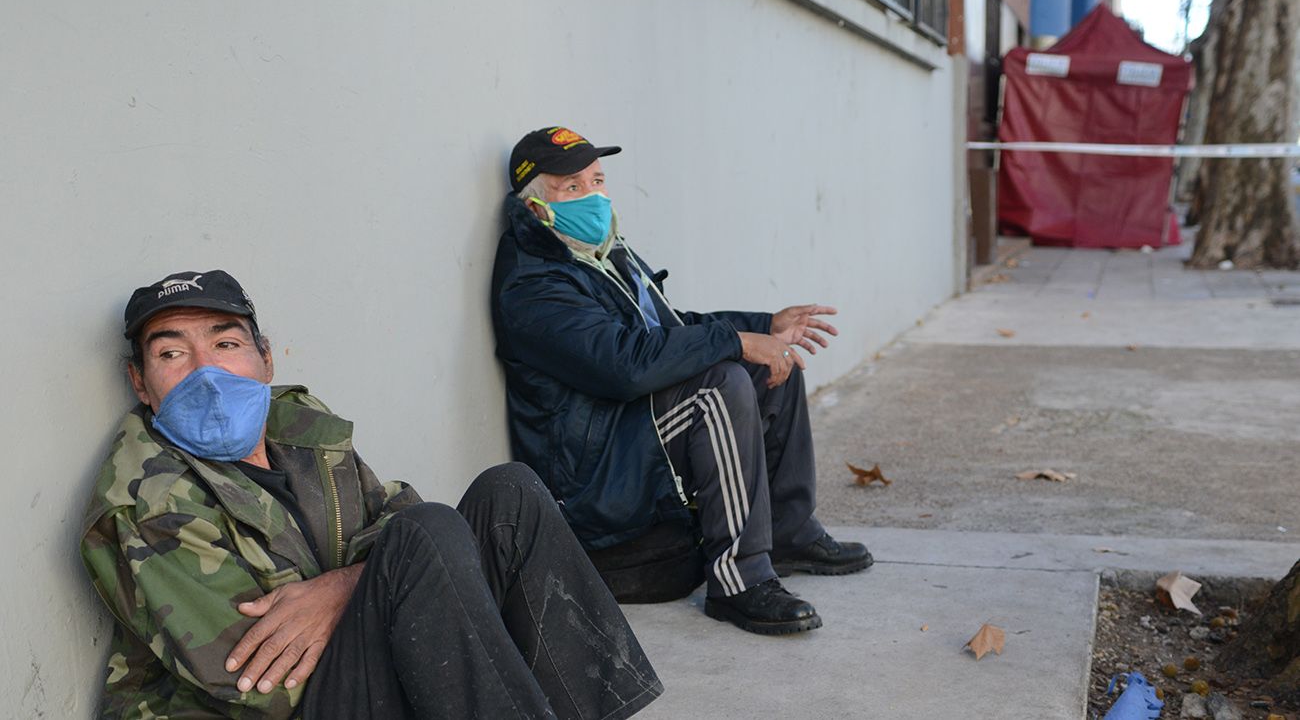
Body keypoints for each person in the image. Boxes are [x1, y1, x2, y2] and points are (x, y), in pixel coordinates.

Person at [80, 269, 662, 719]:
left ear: (265, 357)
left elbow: (397, 515)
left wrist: (342, 587)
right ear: (140, 383)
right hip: (283, 708)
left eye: (226, 344)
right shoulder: (146, 497)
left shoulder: (297, 424)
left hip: (354, 667)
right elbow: (257, 686)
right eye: (172, 353)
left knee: (508, 495)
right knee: (429, 536)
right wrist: (378, 585)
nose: (207, 372)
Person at [490, 126, 873, 636]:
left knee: (769, 365)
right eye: (572, 187)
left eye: (598, 180)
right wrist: (736, 342)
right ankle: (739, 581)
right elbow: (623, 364)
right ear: (537, 205)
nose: (594, 196)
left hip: (619, 432)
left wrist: (762, 328)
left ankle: (789, 531)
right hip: (588, 476)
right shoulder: (534, 282)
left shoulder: (599, 254)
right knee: (718, 385)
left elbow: (668, 327)